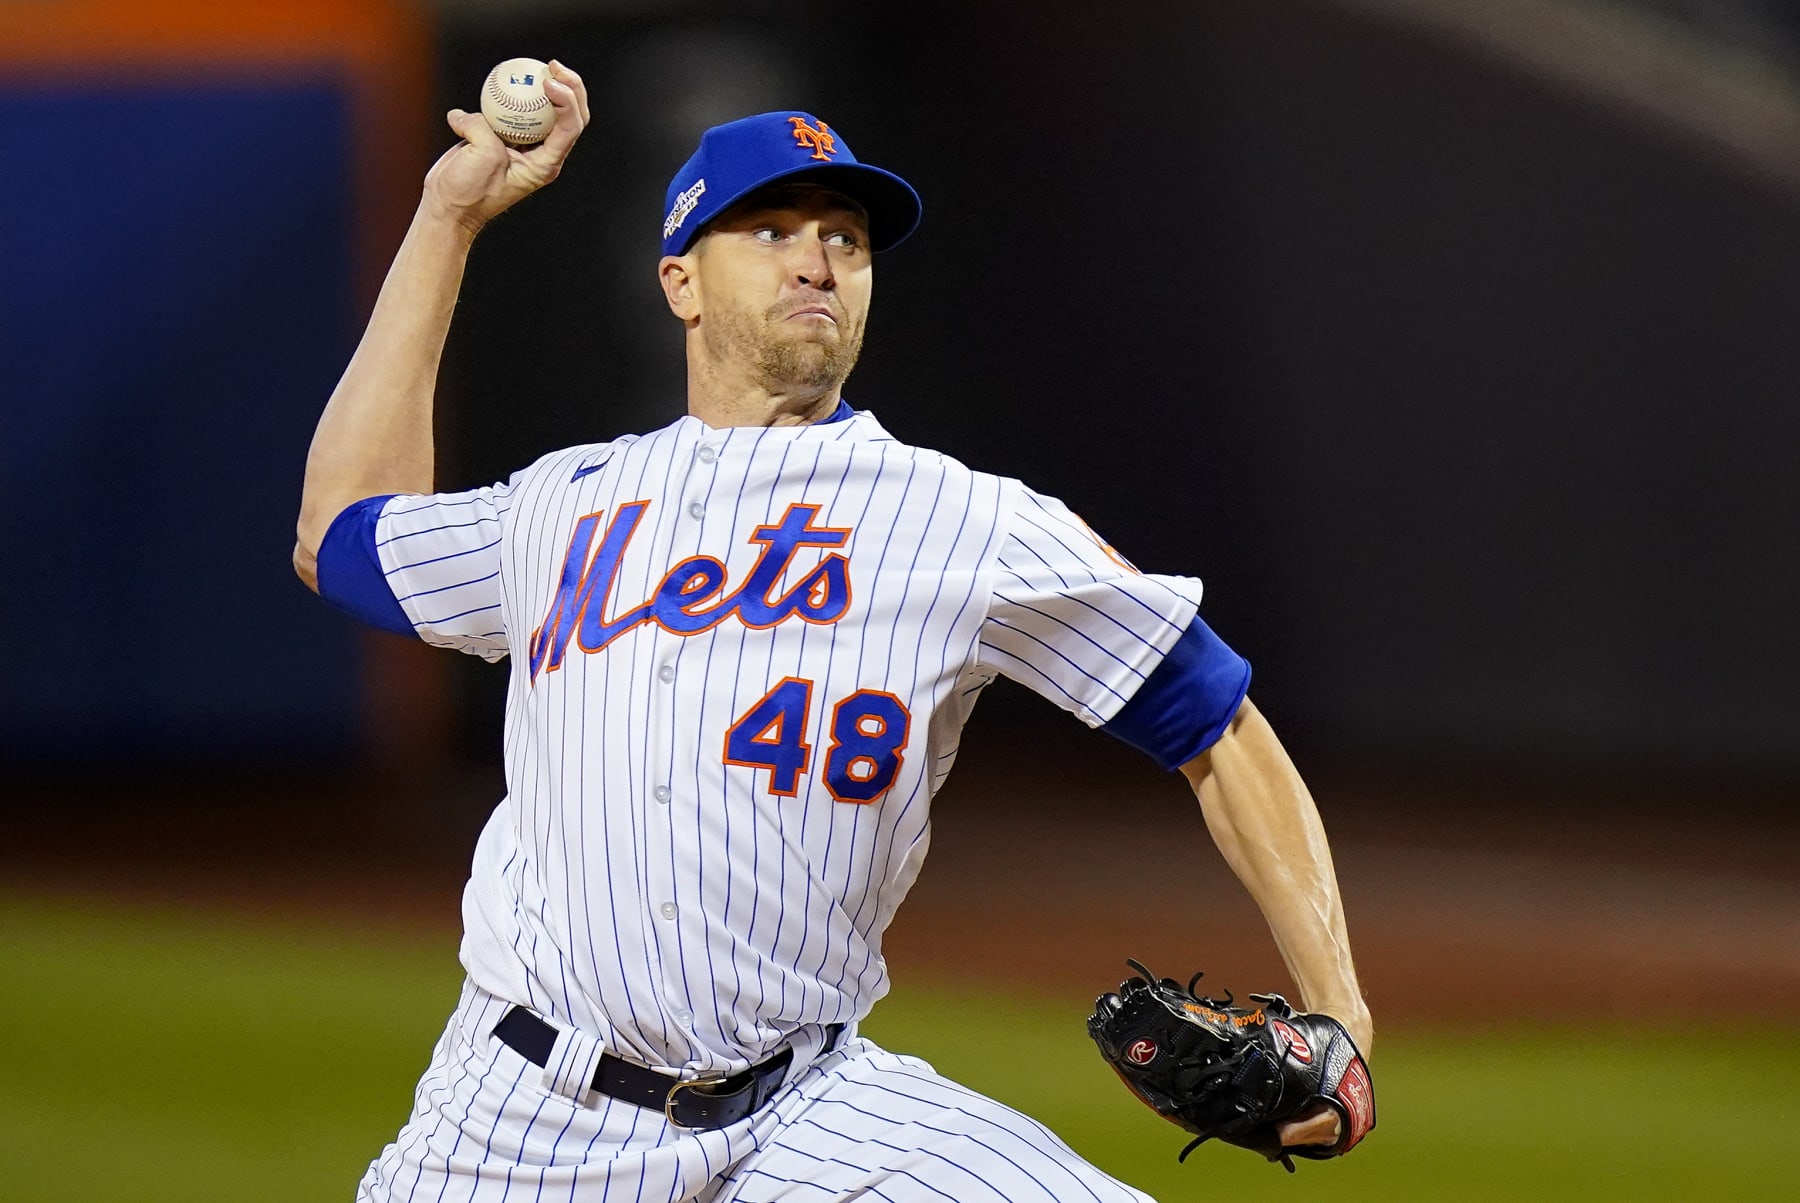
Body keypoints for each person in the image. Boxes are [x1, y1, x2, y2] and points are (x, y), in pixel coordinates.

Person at [293, 61, 1372, 1202]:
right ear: (680, 282)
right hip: (515, 1122)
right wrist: (448, 215)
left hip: (810, 1112)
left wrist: (1340, 1017)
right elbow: (344, 533)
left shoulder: (965, 519)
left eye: (846, 238)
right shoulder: (561, 506)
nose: (817, 259)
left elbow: (1221, 725)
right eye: (770, 229)